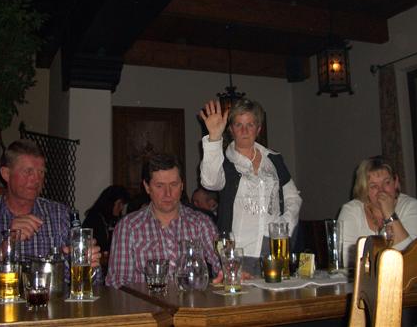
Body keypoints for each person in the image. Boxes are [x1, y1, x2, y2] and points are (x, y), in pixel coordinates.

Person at [0, 139, 101, 287]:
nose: (36, 179)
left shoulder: (60, 214)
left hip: (49, 300)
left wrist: (89, 264)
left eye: (41, 172)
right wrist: (4, 249)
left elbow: (90, 281)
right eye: (28, 171)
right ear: (6, 174)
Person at [199, 98, 302, 271]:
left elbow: (293, 197)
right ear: (231, 129)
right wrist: (214, 138)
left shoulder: (273, 159)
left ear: (258, 129)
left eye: (250, 124)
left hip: (274, 249)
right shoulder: (225, 162)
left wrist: (285, 226)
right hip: (237, 251)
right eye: (238, 124)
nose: (244, 130)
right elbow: (210, 182)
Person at [105, 153, 220, 287]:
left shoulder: (201, 224)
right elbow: (117, 284)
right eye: (159, 186)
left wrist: (227, 272)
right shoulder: (128, 227)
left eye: (174, 184)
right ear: (147, 187)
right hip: (145, 300)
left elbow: (222, 265)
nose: (168, 193)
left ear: (182, 185)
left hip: (192, 299)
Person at [337, 156, 417, 267]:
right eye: (373, 186)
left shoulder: (412, 206)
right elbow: (346, 261)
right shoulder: (351, 210)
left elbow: (414, 259)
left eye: (387, 182)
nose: (382, 190)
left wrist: (390, 214)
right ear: (364, 189)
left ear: (395, 182)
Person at [82, 185, 129, 272]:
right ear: (110, 203)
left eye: (123, 204)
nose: (121, 208)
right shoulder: (94, 219)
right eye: (119, 203)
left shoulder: (115, 220)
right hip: (95, 267)